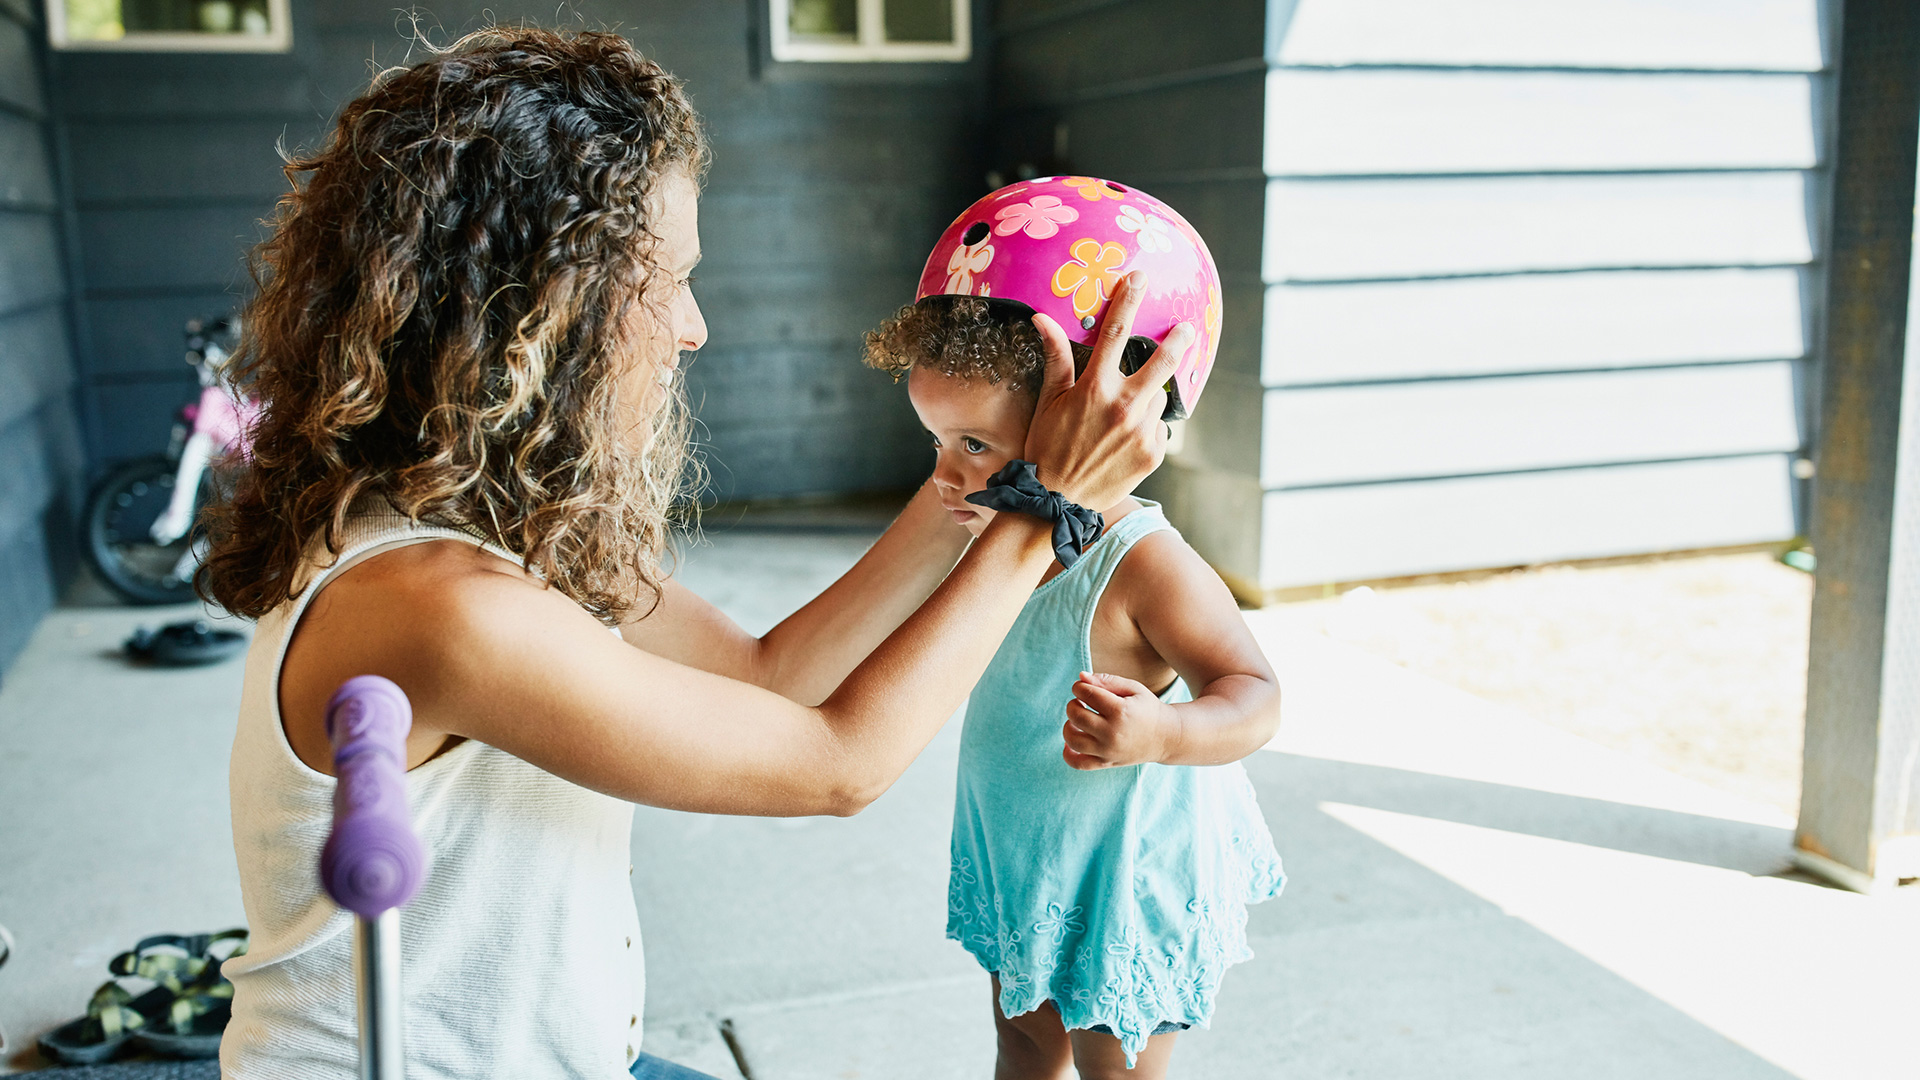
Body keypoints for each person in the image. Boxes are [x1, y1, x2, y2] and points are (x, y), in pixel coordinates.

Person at [198, 27, 1185, 1080]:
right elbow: (837, 766)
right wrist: (1046, 508)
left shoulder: (497, 526)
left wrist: (978, 465)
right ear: (543, 303)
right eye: (669, 280)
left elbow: (769, 676)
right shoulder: (438, 601)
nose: (694, 326)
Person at [863, 181, 1284, 1079]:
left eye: (974, 445)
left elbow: (1253, 694)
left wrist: (1165, 730)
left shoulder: (1141, 562)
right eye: (934, 440)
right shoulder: (986, 535)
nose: (945, 476)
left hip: (1121, 880)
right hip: (1026, 858)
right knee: (1020, 1038)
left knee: (1113, 1066)